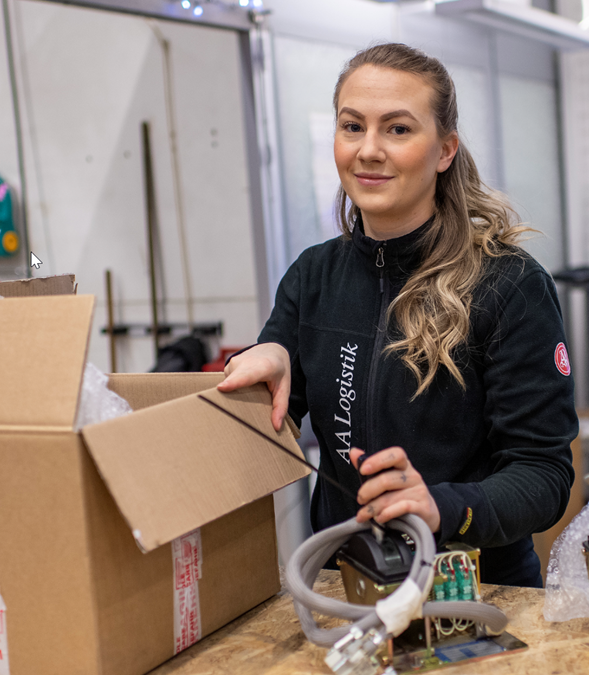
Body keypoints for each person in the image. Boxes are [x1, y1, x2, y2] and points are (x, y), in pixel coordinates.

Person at [218, 43, 578, 588]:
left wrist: (440, 507)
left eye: (398, 129)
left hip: (477, 592)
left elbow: (543, 475)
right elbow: (274, 408)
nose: (368, 150)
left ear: (445, 150)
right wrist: (266, 357)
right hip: (349, 589)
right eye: (352, 126)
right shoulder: (313, 276)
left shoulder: (509, 284)